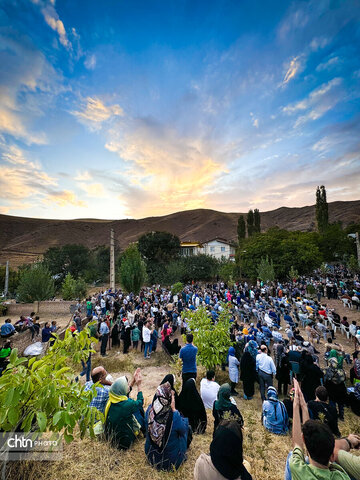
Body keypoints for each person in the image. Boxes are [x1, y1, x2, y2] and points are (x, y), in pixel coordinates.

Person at [286, 379, 349, 480]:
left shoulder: (299, 470)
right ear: (332, 456)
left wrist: (298, 405)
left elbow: (297, 445)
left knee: (291, 456)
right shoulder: (341, 476)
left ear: (304, 440)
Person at [145, 380, 191, 471]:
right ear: (169, 399)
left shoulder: (150, 410)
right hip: (169, 463)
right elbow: (184, 430)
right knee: (186, 427)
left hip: (151, 456)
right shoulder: (174, 417)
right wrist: (174, 409)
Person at [104, 370, 145, 450]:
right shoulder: (127, 405)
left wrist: (133, 380)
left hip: (112, 439)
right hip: (124, 443)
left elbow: (125, 393)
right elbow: (140, 402)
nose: (127, 386)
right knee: (138, 409)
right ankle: (144, 430)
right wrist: (139, 385)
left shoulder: (112, 399)